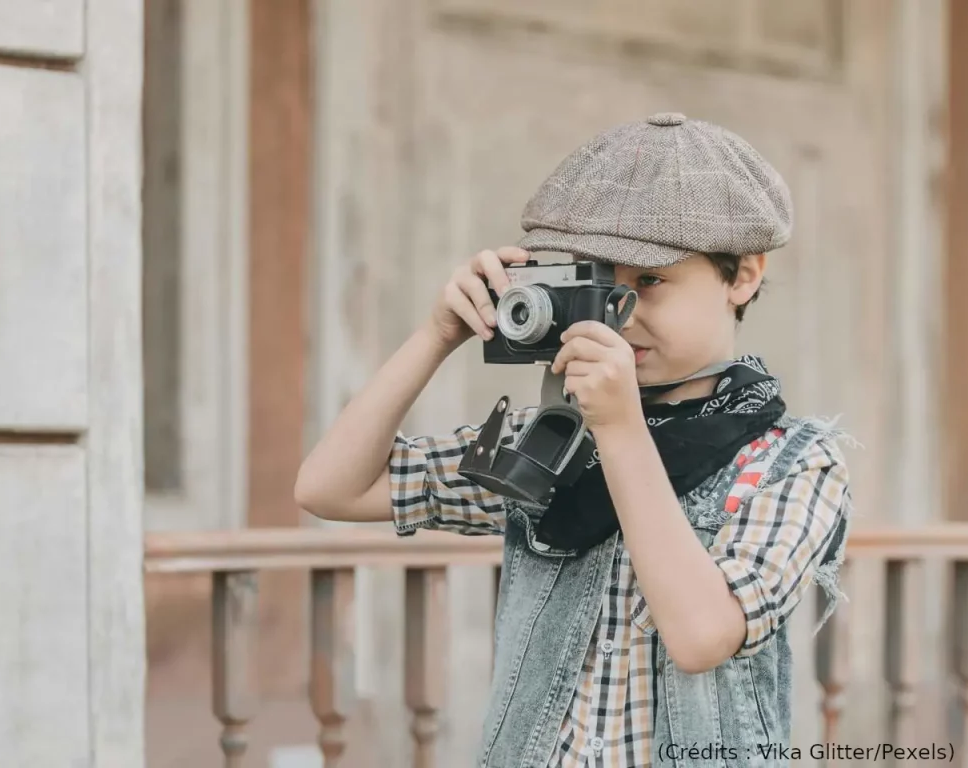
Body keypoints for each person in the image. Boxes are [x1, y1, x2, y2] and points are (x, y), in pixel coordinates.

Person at [294, 112, 853, 767]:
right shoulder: (551, 444)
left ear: (744, 275)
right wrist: (437, 334)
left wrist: (619, 428)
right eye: (598, 282)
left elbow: (702, 636)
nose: (621, 313)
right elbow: (330, 487)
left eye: (650, 281)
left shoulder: (792, 461)